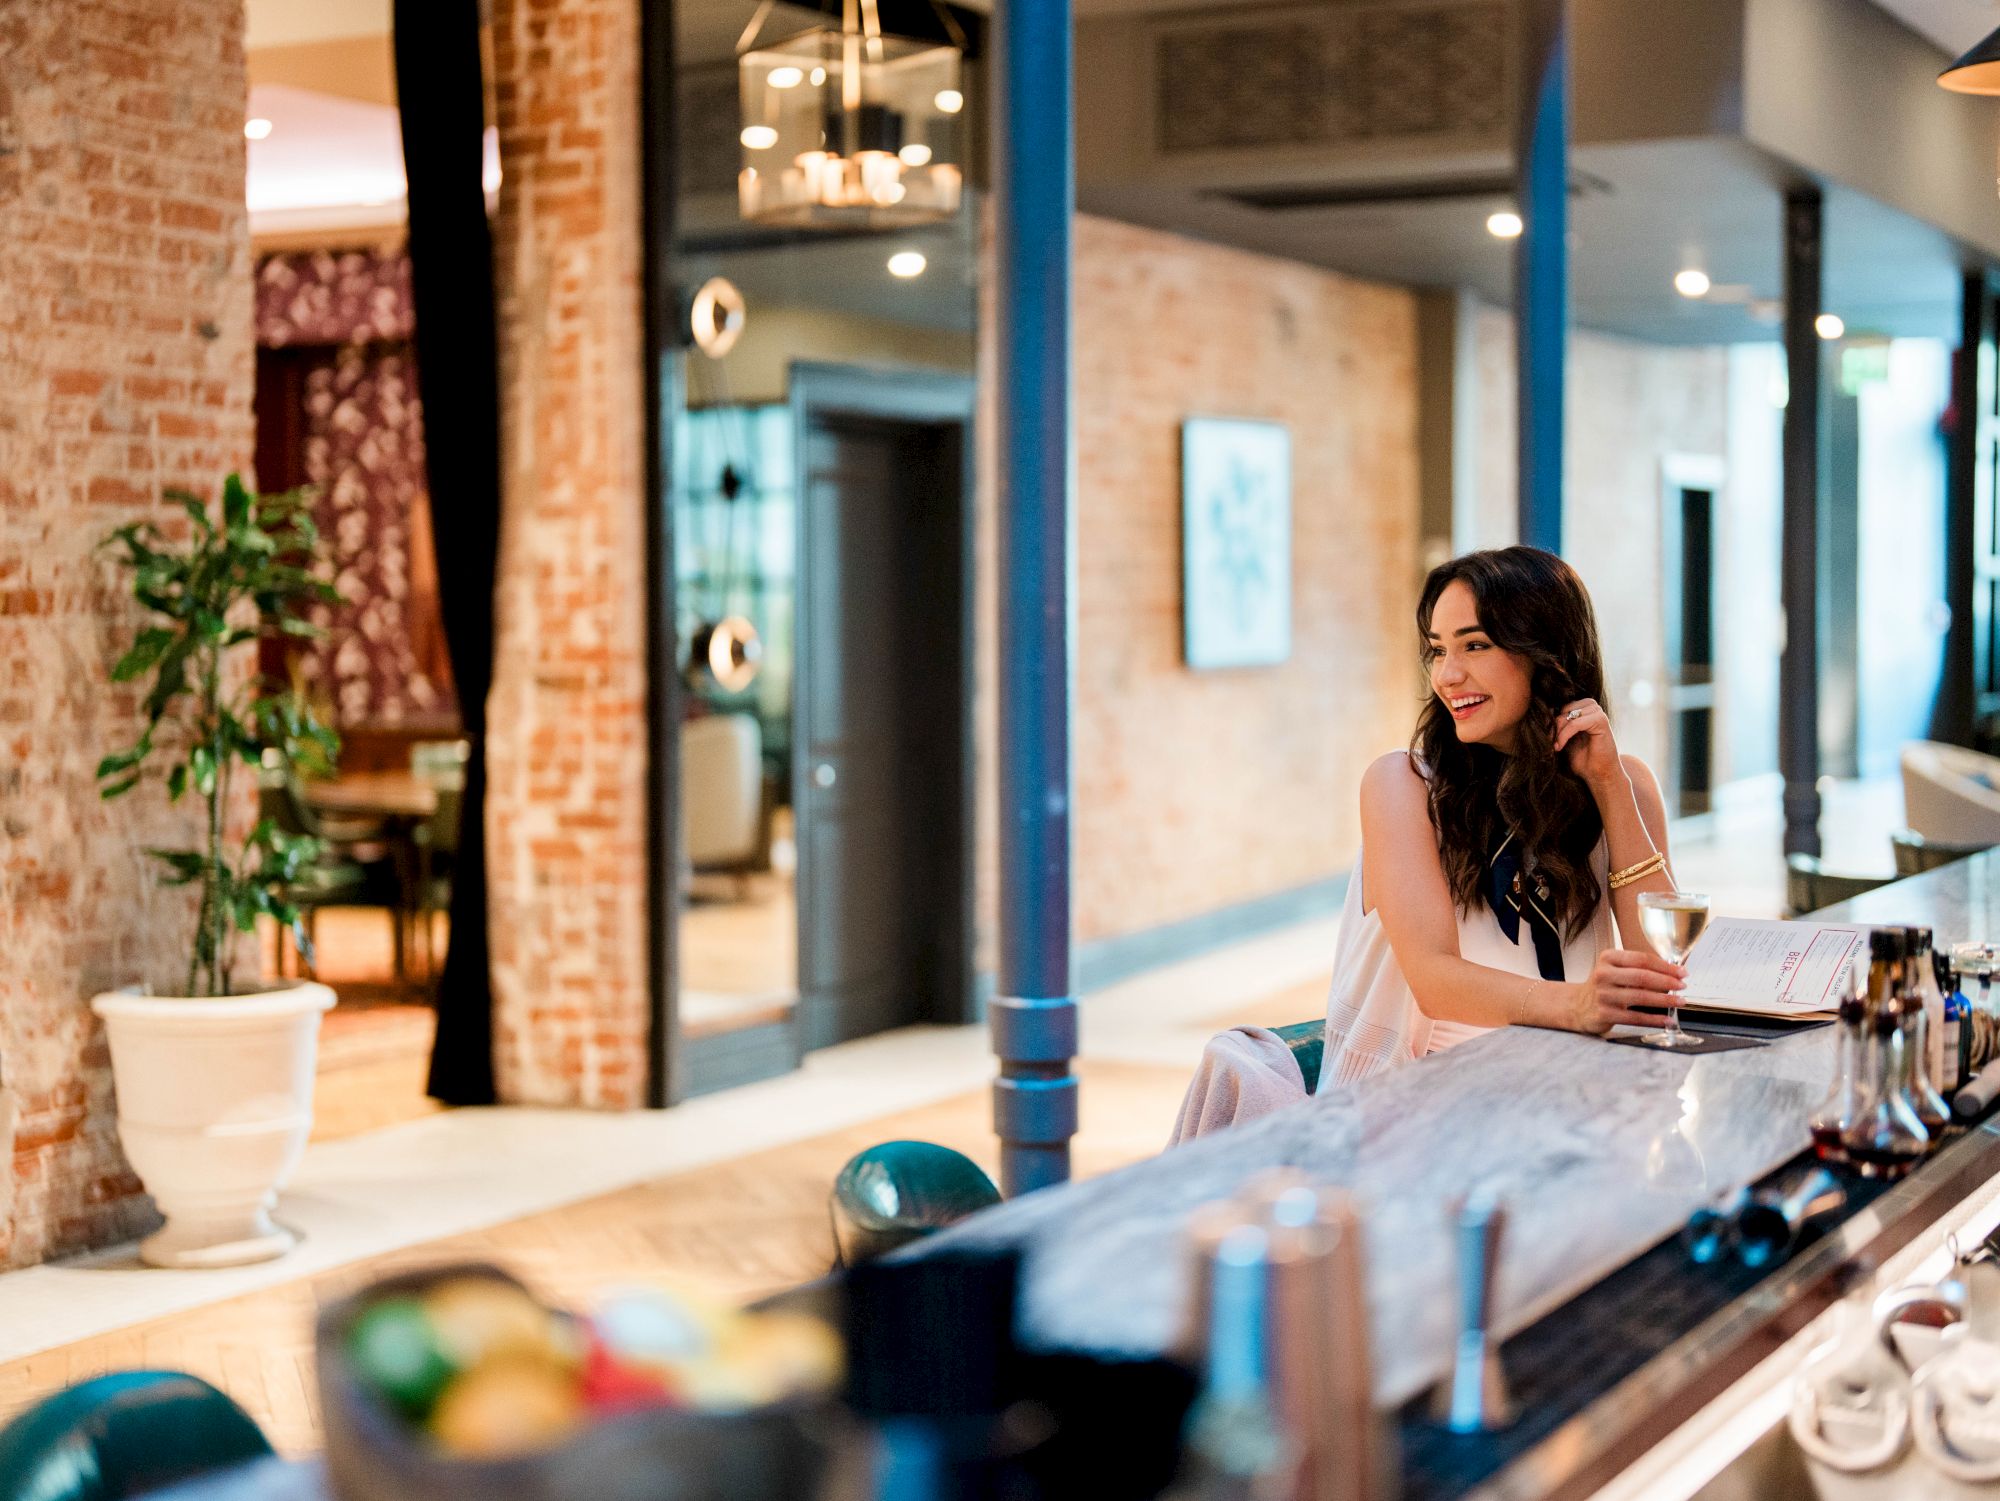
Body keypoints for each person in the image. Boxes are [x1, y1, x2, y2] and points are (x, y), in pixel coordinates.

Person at [1318, 546, 1686, 1088]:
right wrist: (1578, 1005)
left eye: (1475, 645)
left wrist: (1609, 786)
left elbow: (1659, 971)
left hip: (1572, 1093)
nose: (1448, 675)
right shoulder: (1402, 785)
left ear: (1547, 653)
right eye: (1438, 650)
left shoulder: (1624, 783)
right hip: (1413, 1105)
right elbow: (1434, 979)